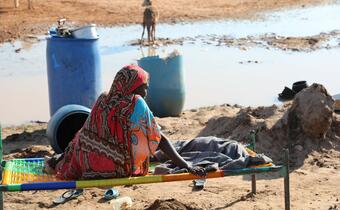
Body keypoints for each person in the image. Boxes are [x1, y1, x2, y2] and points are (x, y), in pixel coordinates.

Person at [44, 64, 205, 180]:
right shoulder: (136, 103)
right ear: (132, 87)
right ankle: (59, 160)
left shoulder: (103, 98)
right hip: (119, 168)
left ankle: (57, 161)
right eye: (144, 87)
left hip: (89, 165)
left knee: (80, 138)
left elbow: (88, 133)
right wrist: (186, 166)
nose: (146, 92)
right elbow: (159, 139)